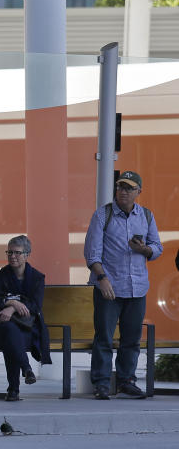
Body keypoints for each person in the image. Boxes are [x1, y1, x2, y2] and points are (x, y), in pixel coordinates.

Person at [84, 171, 162, 400]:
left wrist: (145, 250)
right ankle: (101, 383)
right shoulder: (103, 215)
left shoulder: (146, 216)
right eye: (120, 187)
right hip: (109, 287)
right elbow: (91, 253)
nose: (123, 191)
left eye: (129, 188)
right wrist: (102, 278)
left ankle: (126, 380)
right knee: (104, 337)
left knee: (131, 339)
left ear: (139, 192)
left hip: (137, 287)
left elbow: (157, 246)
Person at [0, 235, 52, 401]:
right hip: (0, 328)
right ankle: (26, 369)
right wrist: (9, 301)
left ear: (27, 255)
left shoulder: (37, 278)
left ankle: (13, 389)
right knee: (8, 331)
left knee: (11, 335)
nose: (12, 256)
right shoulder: (1, 275)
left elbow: (35, 306)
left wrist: (12, 308)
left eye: (17, 253)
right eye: (9, 252)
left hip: (29, 330)